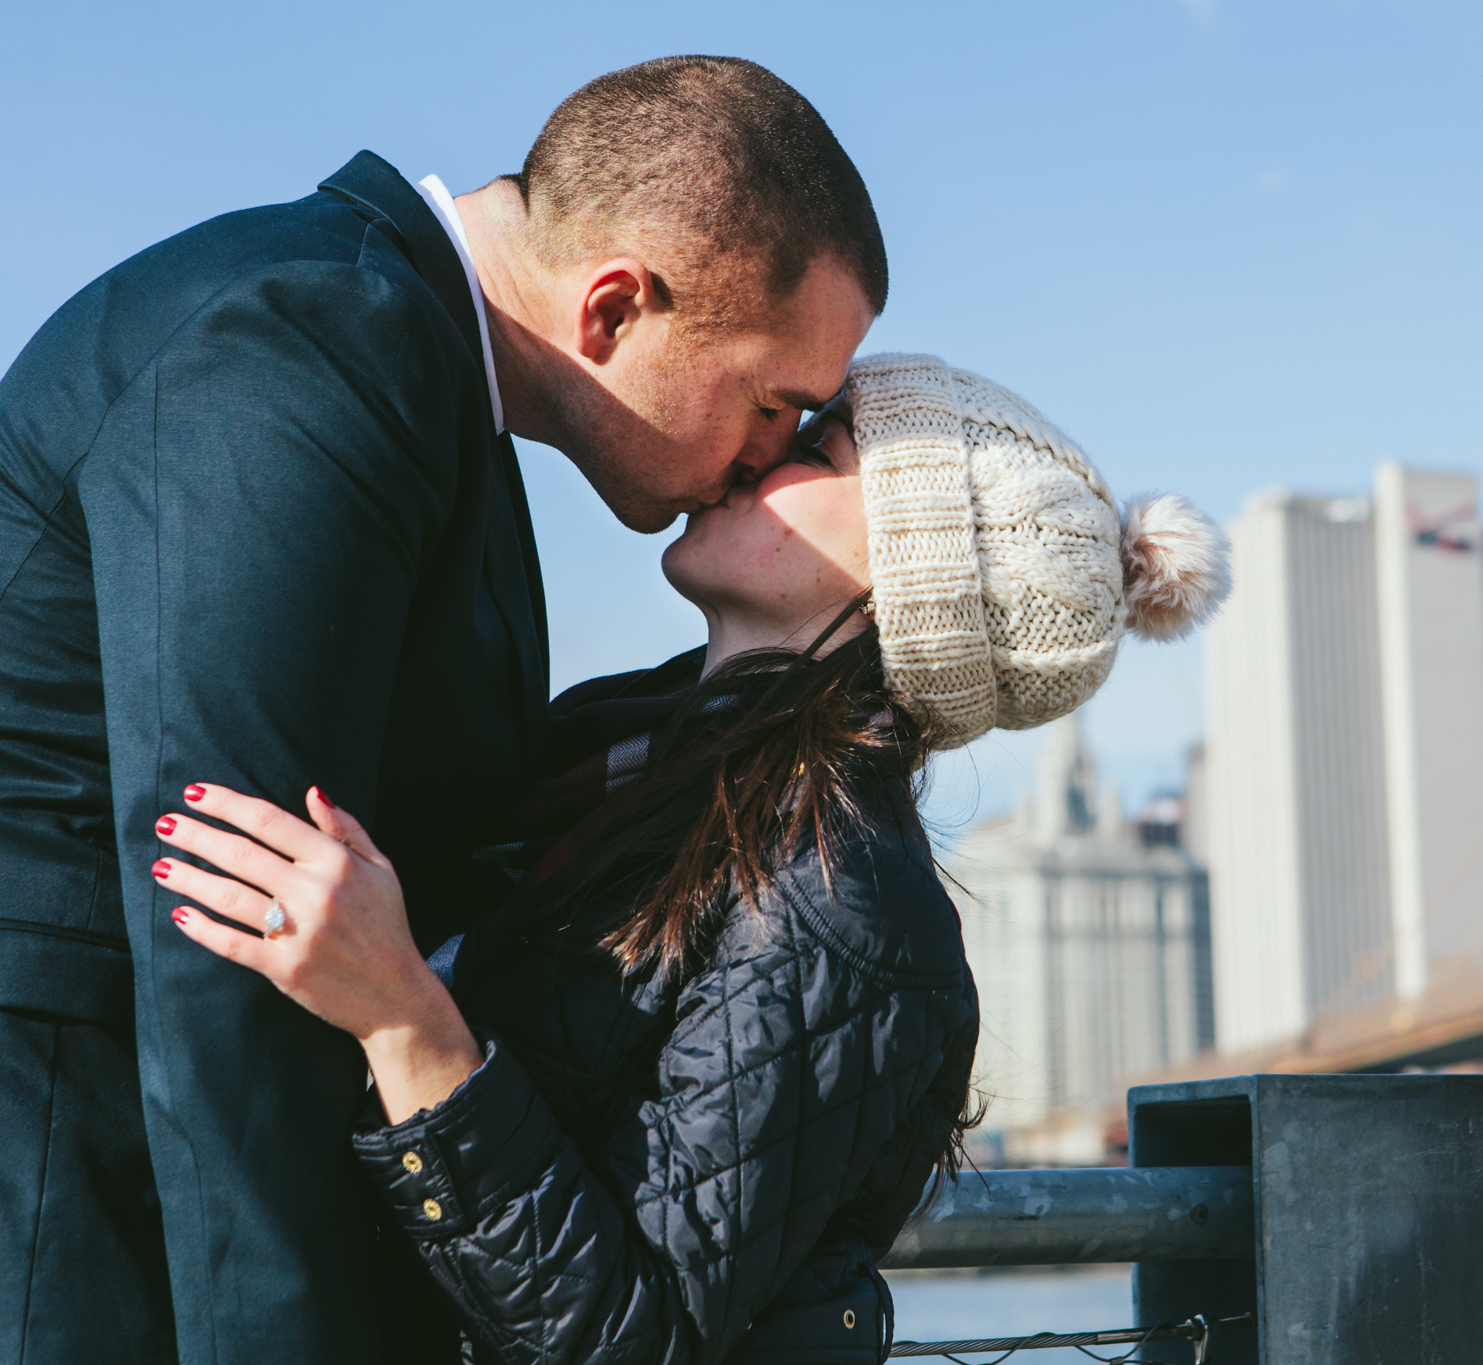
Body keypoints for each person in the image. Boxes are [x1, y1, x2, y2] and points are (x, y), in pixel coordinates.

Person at [0, 57, 884, 1365]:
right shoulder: (311, 339)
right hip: (72, 1184)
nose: (770, 453)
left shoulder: (413, 371)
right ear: (616, 307)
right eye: (772, 402)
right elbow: (235, 923)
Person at [149, 354, 1231, 1363]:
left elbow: (632, 1332)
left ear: (917, 567)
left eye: (816, 450)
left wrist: (402, 1019)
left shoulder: (843, 907)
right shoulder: (615, 759)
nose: (756, 449)